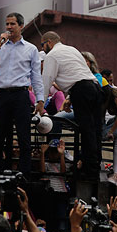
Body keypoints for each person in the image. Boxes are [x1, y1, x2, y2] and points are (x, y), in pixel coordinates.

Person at [0, 12, 44, 177]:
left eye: (12, 24)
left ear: (21, 26)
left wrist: (40, 99)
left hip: (21, 95)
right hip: (1, 95)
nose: (9, 27)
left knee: (24, 136)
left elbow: (36, 76)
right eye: (7, 24)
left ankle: (24, 173)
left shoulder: (31, 49)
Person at [41, 32, 103, 181]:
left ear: (49, 42)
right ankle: (94, 169)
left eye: (42, 45)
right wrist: (69, 98)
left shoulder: (52, 55)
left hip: (81, 91)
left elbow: (46, 80)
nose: (43, 49)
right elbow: (80, 74)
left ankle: (89, 172)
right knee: (96, 131)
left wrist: (40, 103)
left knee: (87, 131)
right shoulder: (72, 49)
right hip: (95, 89)